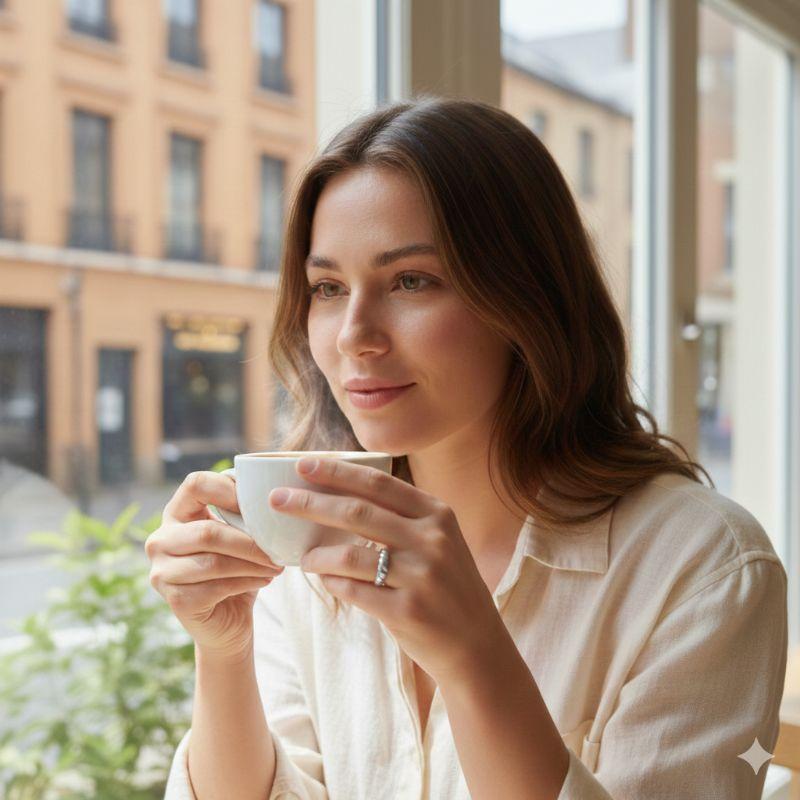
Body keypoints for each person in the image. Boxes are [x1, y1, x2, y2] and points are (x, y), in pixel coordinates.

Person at [147, 96, 788, 799]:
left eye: (410, 281)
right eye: (327, 287)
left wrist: (474, 658)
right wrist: (224, 651)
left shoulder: (702, 566)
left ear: (525, 297)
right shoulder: (305, 537)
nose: (354, 335)